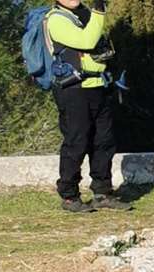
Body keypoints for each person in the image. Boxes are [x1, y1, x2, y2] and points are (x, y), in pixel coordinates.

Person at [47, 0, 127, 213]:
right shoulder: (56, 19)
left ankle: (102, 192)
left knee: (103, 141)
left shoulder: (83, 14)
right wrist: (99, 12)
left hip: (98, 85)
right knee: (77, 142)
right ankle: (69, 196)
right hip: (73, 89)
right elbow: (87, 40)